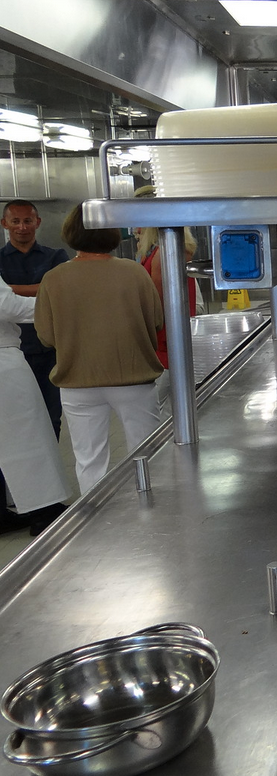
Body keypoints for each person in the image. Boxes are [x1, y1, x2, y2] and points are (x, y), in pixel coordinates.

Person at [35, 205, 164, 496]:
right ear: (112, 232)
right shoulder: (133, 272)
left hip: (78, 382)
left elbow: (45, 335)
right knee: (148, 455)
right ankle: (154, 514)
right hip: (134, 379)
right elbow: (156, 320)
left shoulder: (54, 278)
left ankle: (96, 526)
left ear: (71, 234)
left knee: (89, 460)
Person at [0, 275, 71, 536]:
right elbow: (8, 307)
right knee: (27, 435)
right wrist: (58, 304)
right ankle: (43, 511)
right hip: (3, 360)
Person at [0, 199, 70, 435]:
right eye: (15, 221)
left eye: (27, 221)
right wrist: (41, 288)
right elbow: (47, 291)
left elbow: (59, 290)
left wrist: (8, 289)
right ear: (4, 224)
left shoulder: (56, 256)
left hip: (49, 350)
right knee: (16, 417)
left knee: (52, 415)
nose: (22, 227)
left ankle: (50, 468)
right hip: (13, 353)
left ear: (37, 222)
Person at [132, 186, 199, 416]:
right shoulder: (172, 248)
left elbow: (159, 307)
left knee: (157, 413)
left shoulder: (162, 253)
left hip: (164, 345)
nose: (134, 228)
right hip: (173, 342)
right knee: (174, 409)